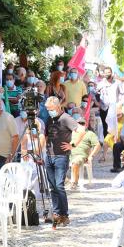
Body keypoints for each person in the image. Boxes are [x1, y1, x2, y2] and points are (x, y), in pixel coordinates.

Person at [44, 96, 84, 227]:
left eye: (51, 109)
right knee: (52, 186)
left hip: (61, 156)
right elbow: (45, 136)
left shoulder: (66, 118)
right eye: (47, 109)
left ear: (57, 107)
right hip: (49, 155)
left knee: (59, 185)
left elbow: (81, 130)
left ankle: (64, 214)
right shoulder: (50, 119)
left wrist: (73, 145)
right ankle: (56, 213)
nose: (49, 111)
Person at [67, 114, 100, 191]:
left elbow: (97, 145)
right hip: (69, 154)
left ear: (86, 124)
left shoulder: (90, 134)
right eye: (79, 123)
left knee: (75, 162)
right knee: (54, 162)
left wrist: (91, 155)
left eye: (82, 123)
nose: (81, 125)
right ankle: (65, 182)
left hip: (81, 156)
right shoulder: (72, 132)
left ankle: (74, 182)